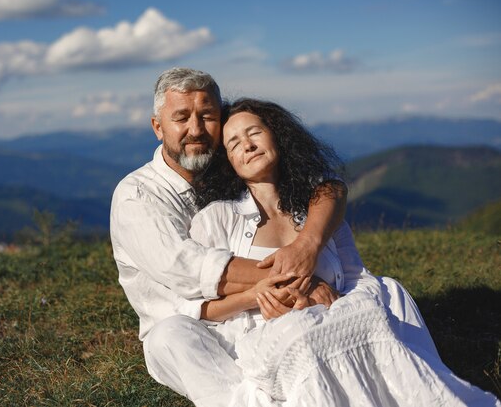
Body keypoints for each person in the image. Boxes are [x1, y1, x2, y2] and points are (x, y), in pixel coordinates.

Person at [189, 97, 500, 406]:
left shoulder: (315, 209)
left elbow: (357, 276)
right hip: (272, 332)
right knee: (308, 336)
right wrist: (265, 298)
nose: (248, 145)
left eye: (254, 132)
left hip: (337, 315)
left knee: (381, 300)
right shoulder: (215, 220)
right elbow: (202, 306)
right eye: (233, 143)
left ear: (276, 136)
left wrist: (334, 302)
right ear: (227, 161)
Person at [110, 67, 348, 407]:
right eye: (181, 118)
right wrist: (300, 277)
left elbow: (327, 187)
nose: (196, 129)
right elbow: (187, 268)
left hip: (260, 314)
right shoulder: (138, 196)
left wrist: (308, 243)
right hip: (193, 328)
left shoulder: (229, 167)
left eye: (207, 116)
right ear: (157, 127)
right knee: (170, 336)